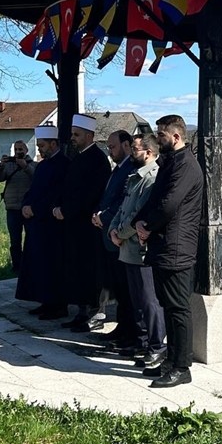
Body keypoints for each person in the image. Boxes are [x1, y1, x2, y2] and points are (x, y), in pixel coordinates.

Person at [133, 114, 204, 388]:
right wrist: (137, 223)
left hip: (177, 247)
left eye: (161, 135)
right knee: (168, 306)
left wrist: (147, 226)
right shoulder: (170, 163)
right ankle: (171, 360)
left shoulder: (185, 165)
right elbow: (154, 199)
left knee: (178, 309)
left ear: (176, 137)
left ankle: (181, 367)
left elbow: (169, 203)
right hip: (164, 245)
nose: (157, 138)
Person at [110, 133, 166, 366]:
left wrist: (120, 234)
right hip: (126, 249)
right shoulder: (135, 176)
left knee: (149, 300)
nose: (131, 153)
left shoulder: (152, 178)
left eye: (135, 150)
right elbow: (124, 207)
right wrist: (113, 229)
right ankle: (141, 341)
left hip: (139, 249)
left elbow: (138, 214)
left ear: (149, 153)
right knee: (136, 300)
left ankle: (157, 345)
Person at [53, 114, 111, 331]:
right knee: (75, 269)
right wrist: (58, 207)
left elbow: (91, 194)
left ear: (89, 135)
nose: (73, 138)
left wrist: (67, 210)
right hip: (72, 224)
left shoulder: (98, 159)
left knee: (89, 270)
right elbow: (67, 188)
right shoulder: (77, 157)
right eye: (72, 134)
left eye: (77, 135)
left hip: (87, 225)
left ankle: (95, 313)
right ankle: (81, 311)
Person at [15, 125, 69, 318]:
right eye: (38, 146)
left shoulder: (63, 165)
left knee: (53, 266)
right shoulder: (43, 166)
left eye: (43, 146)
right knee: (39, 265)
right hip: (37, 223)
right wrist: (25, 205)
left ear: (54, 144)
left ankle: (58, 305)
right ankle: (45, 301)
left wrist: (35, 208)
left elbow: (56, 195)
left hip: (52, 224)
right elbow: (34, 190)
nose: (40, 149)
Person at [92, 130, 137, 347]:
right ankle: (122, 326)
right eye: (108, 148)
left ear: (127, 145)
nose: (110, 152)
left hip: (120, 236)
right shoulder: (118, 169)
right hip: (107, 232)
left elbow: (123, 201)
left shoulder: (131, 169)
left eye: (113, 147)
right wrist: (97, 214)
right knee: (118, 288)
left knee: (126, 289)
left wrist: (105, 217)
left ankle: (130, 330)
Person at [0, 139, 36, 273]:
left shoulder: (33, 165)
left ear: (26, 151)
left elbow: (37, 178)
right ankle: (16, 266)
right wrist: (0, 165)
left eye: (21, 149)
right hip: (12, 207)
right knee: (15, 240)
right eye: (16, 150)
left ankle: (30, 265)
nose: (18, 152)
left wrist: (25, 166)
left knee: (30, 239)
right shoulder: (9, 165)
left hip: (28, 209)